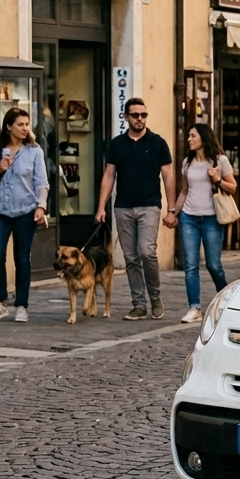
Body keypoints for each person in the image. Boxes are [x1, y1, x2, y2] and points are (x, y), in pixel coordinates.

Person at [95, 98, 177, 321]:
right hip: (123, 206)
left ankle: (155, 297)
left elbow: (168, 177)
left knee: (146, 252)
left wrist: (172, 209)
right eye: (135, 115)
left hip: (150, 205)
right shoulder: (116, 144)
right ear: (126, 117)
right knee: (130, 257)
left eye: (143, 115)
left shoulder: (157, 143)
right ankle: (139, 304)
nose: (140, 119)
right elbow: (109, 176)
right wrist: (101, 206)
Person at [172, 124, 235, 324]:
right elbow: (184, 190)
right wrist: (174, 212)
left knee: (214, 265)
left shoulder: (220, 161)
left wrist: (217, 179)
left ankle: (225, 300)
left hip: (211, 219)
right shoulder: (187, 163)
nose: (189, 139)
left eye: (193, 136)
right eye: (189, 135)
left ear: (203, 138)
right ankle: (195, 308)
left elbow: (232, 187)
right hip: (189, 217)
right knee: (190, 265)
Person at [0, 108, 49, 323]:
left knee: (22, 259)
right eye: (20, 124)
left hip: (25, 211)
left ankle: (22, 305)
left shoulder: (34, 151)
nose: (25, 128)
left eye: (27, 124)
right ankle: (0, 301)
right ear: (9, 126)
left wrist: (41, 207)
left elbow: (41, 182)